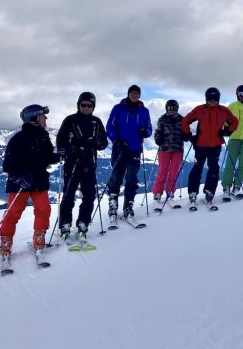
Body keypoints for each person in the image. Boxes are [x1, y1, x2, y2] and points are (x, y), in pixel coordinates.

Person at [0, 104, 58, 265]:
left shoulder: (44, 137)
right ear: (34, 118)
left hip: (39, 180)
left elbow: (48, 157)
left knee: (43, 209)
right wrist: (18, 178)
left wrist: (59, 155)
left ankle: (39, 237)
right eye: (43, 116)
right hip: (19, 184)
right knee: (13, 213)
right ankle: (6, 242)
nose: (45, 118)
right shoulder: (18, 139)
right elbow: (7, 165)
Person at [55, 92, 108, 243]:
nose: (86, 108)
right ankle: (65, 224)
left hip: (90, 163)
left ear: (93, 107)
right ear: (78, 105)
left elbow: (103, 142)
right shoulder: (70, 120)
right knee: (68, 195)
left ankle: (83, 222)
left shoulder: (96, 122)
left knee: (89, 195)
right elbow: (61, 140)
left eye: (89, 106)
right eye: (83, 105)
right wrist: (67, 149)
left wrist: (97, 143)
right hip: (72, 163)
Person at [181, 87, 239, 208]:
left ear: (218, 99)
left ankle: (209, 191)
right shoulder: (200, 109)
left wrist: (227, 131)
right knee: (197, 168)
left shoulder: (223, 111)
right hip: (200, 145)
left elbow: (234, 121)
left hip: (215, 145)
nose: (212, 101)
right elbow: (185, 121)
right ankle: (193, 192)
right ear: (206, 99)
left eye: (215, 99)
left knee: (213, 169)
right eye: (210, 99)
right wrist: (189, 135)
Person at [105, 85, 152, 223]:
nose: (134, 95)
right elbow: (109, 126)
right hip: (120, 148)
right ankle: (113, 206)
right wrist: (116, 140)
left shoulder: (144, 111)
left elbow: (149, 128)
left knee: (132, 178)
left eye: (137, 93)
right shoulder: (118, 108)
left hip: (135, 149)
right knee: (116, 176)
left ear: (139, 95)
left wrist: (146, 132)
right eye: (132, 93)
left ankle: (128, 205)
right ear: (128, 94)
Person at [152, 99, 185, 208]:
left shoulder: (182, 119)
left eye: (174, 108)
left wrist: (187, 136)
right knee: (163, 170)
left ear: (177, 109)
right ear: (166, 108)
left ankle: (170, 192)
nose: (172, 110)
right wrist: (158, 139)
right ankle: (157, 193)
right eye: (170, 108)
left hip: (177, 149)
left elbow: (186, 131)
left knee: (174, 171)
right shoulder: (162, 119)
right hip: (164, 149)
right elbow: (158, 132)